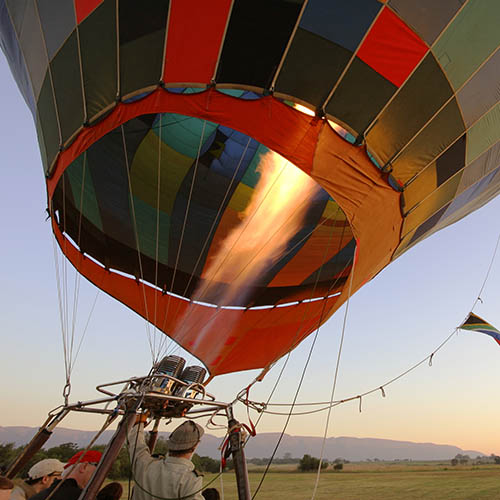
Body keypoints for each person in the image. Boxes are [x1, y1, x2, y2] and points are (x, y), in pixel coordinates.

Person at [128, 416, 205, 500]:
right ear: (195, 446)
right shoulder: (190, 479)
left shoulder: (145, 464)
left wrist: (139, 424)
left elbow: (136, 445)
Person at [29, 450, 102, 500]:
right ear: (84, 467)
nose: (101, 476)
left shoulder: (40, 495)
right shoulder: (80, 496)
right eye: (98, 467)